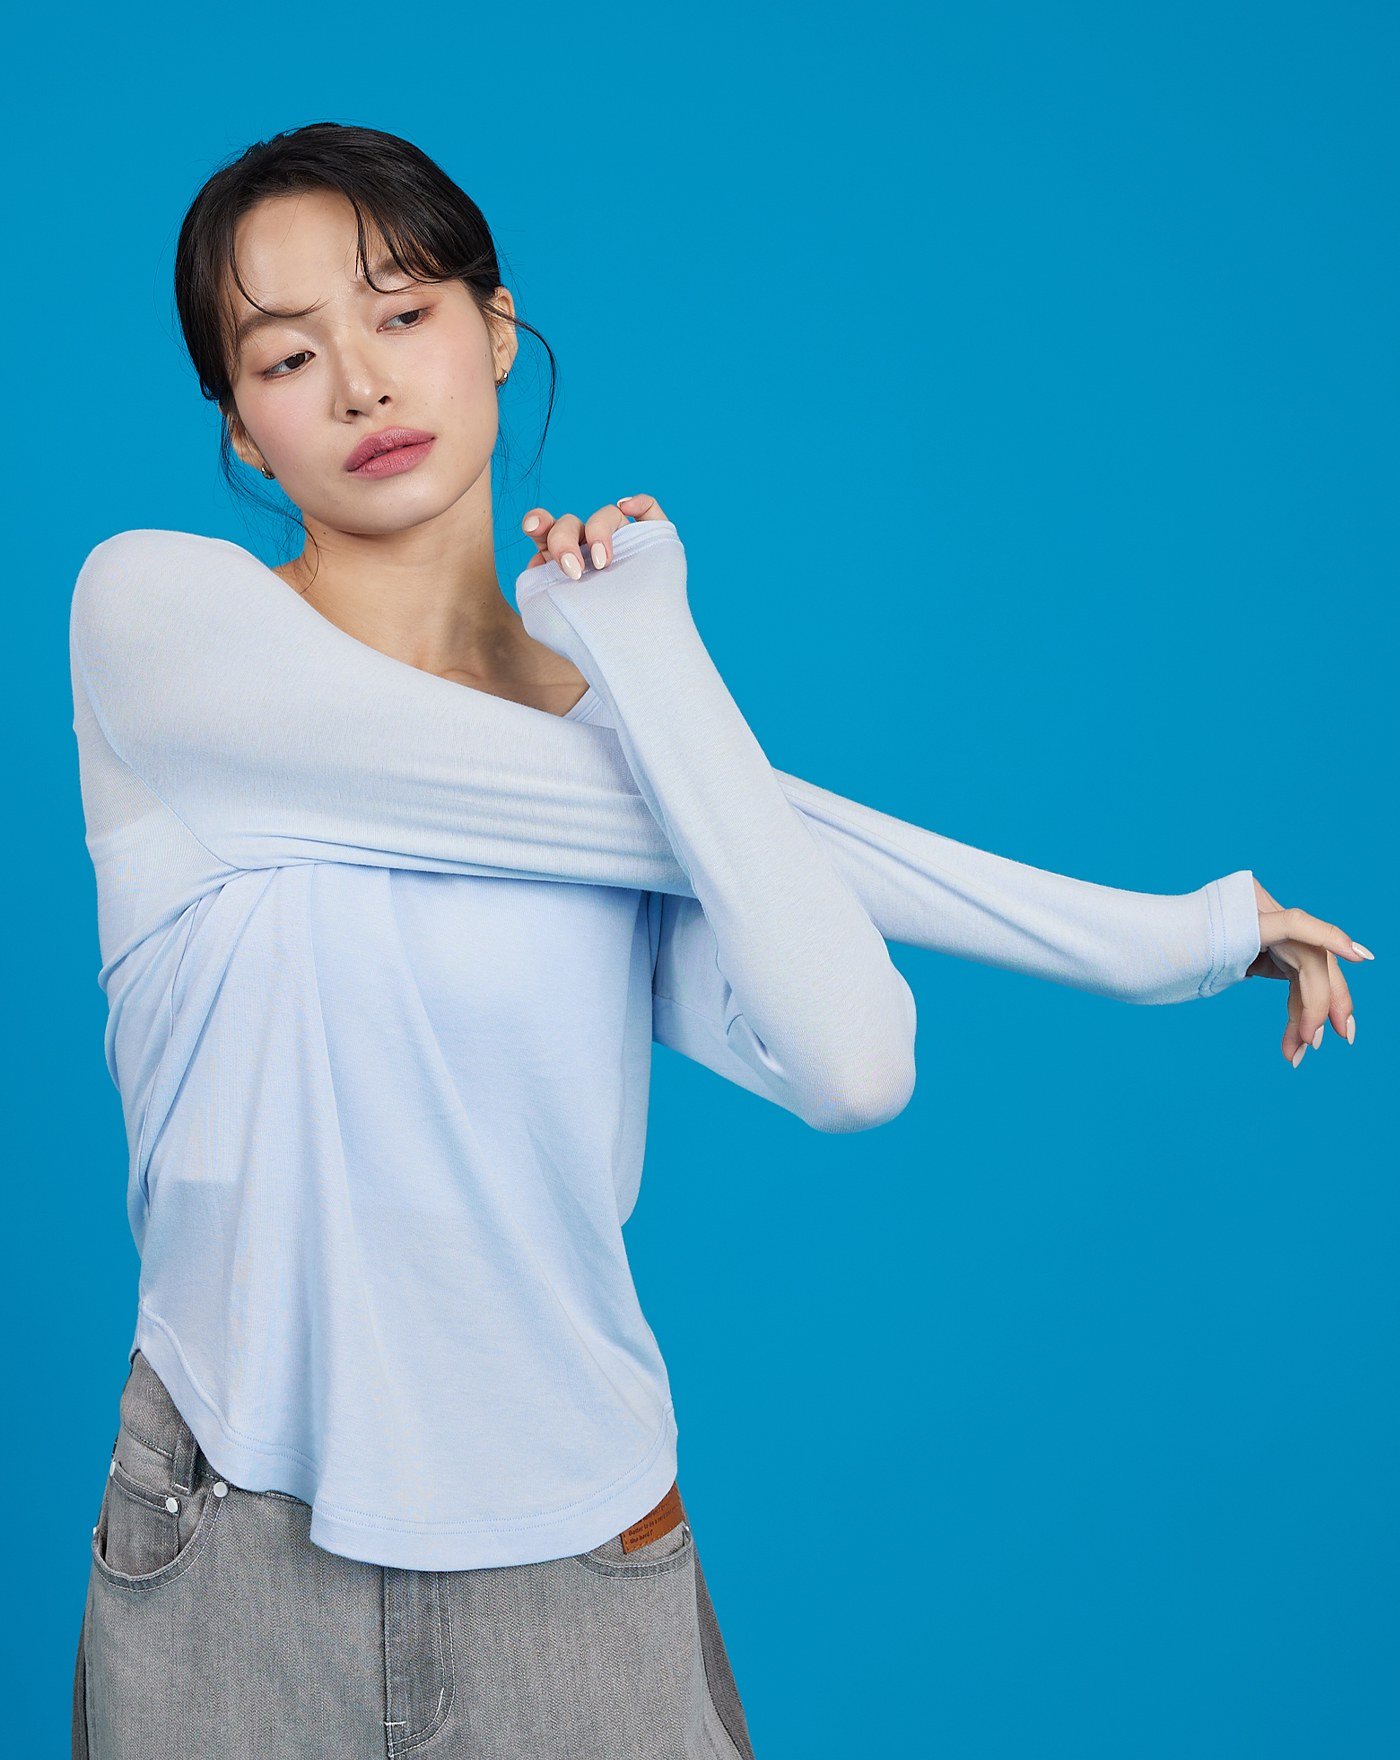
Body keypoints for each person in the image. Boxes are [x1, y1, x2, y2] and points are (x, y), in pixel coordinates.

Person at [67, 122, 1369, 1760]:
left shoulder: (642, 743)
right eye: (285, 357)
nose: (360, 385)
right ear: (242, 429)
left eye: (401, 314)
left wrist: (649, 655)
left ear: (495, 326)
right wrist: (1158, 939)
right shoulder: (162, 625)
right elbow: (642, 820)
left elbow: (856, 1068)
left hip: (578, 1551)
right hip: (235, 1556)